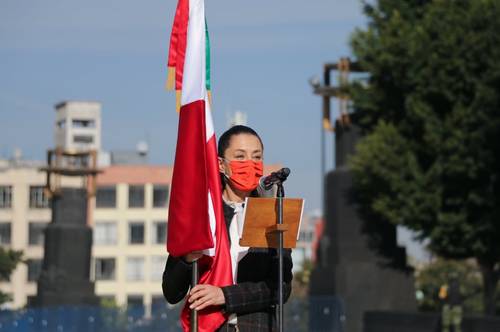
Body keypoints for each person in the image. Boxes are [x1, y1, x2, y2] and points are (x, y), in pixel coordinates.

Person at [162, 125, 293, 332]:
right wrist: (186, 261)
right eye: (240, 157)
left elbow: (281, 287)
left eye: (256, 157)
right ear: (221, 164)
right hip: (208, 327)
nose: (250, 164)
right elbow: (171, 291)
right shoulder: (203, 216)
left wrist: (225, 295)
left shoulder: (271, 215)